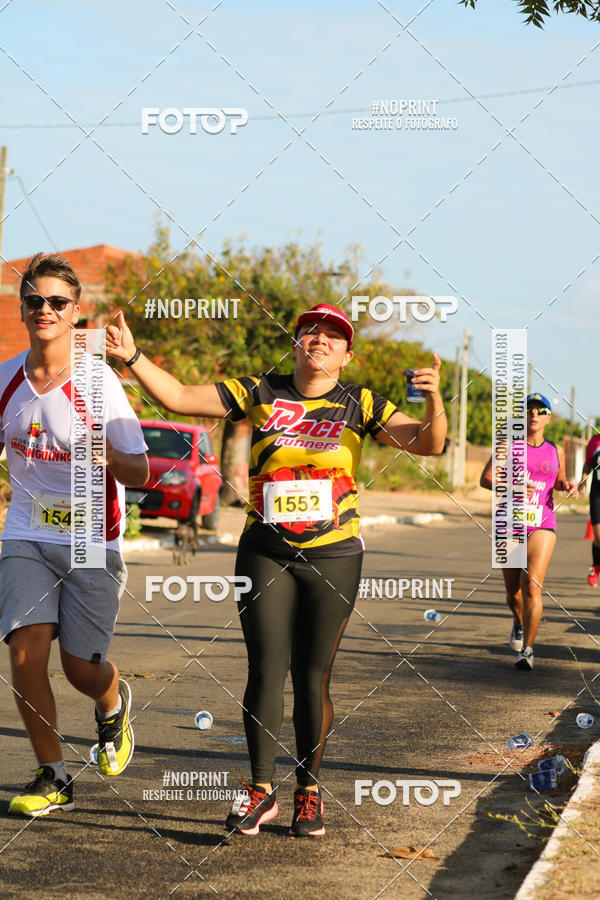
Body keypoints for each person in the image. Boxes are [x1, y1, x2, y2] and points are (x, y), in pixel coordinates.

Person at [106, 301, 446, 836]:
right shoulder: (259, 390)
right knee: (265, 669)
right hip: (265, 550)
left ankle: (308, 792)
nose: (319, 339)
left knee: (314, 678)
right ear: (295, 344)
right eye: (309, 330)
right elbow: (177, 396)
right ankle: (260, 790)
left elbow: (430, 443)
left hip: (335, 556)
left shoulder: (362, 403)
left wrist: (433, 402)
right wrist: (133, 357)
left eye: (332, 336)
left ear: (347, 353)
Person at [0, 253, 149, 817]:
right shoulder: (7, 377)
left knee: (79, 668)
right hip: (25, 533)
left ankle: (111, 703)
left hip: (91, 537)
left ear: (74, 313)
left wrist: (98, 449)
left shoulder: (98, 382)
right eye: (35, 300)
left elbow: (138, 472)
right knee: (23, 655)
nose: (45, 309)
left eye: (57, 302)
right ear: (22, 308)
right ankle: (53, 775)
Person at [480, 393, 577, 670]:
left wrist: (566, 485)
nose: (534, 414)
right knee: (513, 594)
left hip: (542, 522)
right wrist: (512, 488)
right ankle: (518, 621)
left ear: (548, 417)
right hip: (508, 522)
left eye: (540, 410)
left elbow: (557, 481)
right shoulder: (508, 445)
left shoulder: (554, 449)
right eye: (529, 410)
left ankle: (528, 650)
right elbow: (486, 479)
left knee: (532, 586)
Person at [578, 432, 600, 586]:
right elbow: (588, 464)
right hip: (598, 493)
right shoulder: (594, 441)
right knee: (599, 537)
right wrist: (583, 481)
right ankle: (596, 566)